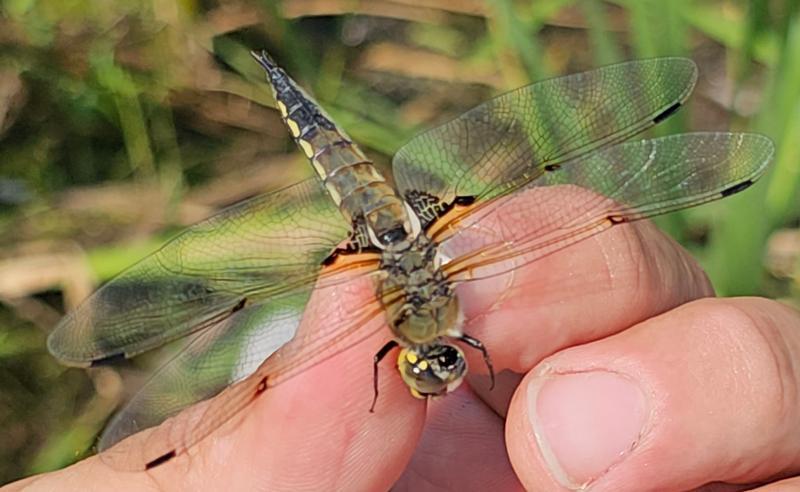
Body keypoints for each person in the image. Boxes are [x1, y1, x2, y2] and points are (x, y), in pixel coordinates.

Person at [5, 212, 800, 491]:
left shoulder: (465, 314)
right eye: (432, 365)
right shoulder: (363, 329)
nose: (434, 371)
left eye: (438, 364)